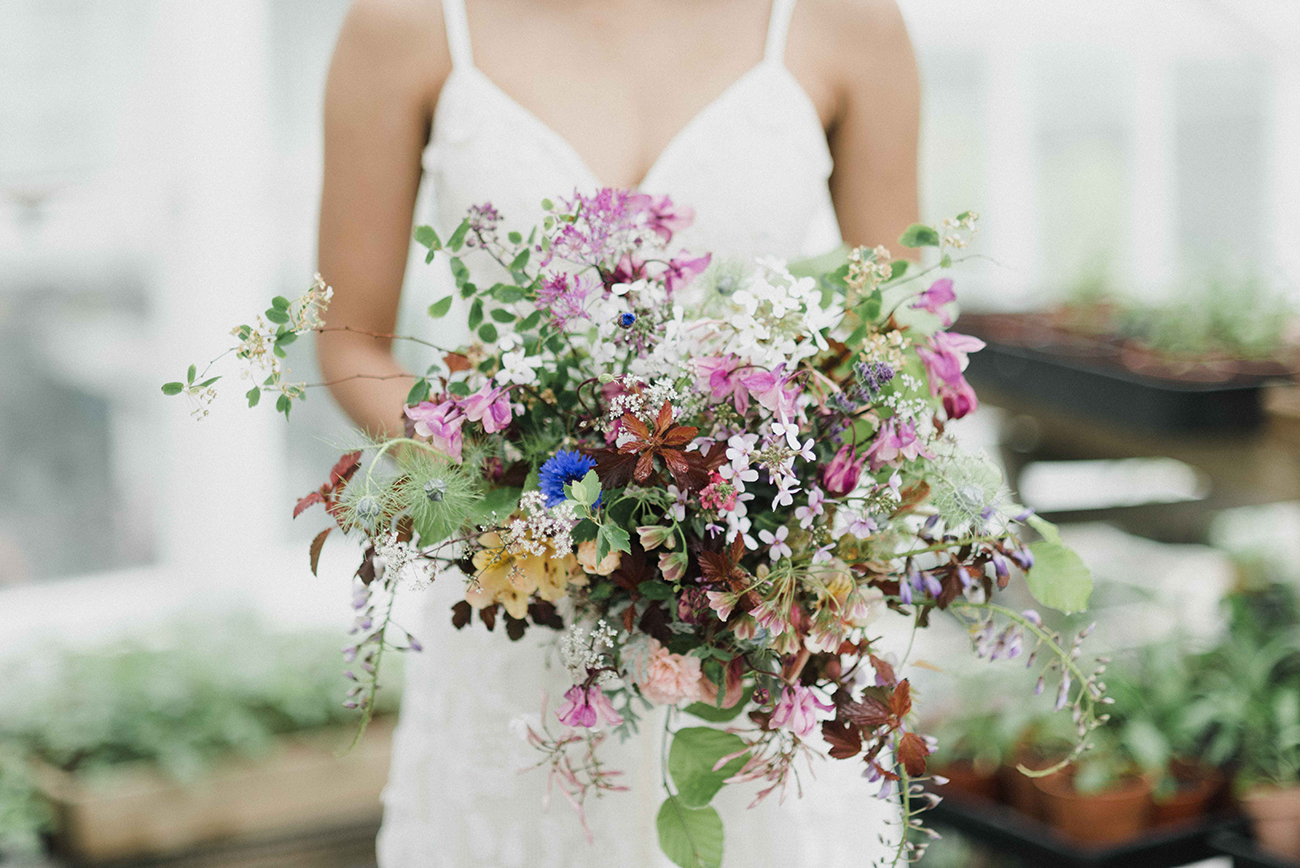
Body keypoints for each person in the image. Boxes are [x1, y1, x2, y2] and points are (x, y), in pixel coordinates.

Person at [317, 0, 921, 863]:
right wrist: (504, 481)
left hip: (753, 631)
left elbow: (899, 332)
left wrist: (781, 498)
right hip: (522, 600)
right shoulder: (405, 22)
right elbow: (350, 343)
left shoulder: (847, 21)